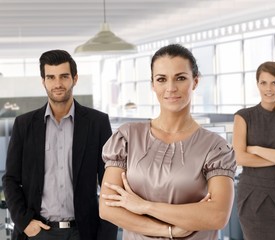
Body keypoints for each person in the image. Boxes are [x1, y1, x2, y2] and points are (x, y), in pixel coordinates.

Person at [99, 43, 236, 240]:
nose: (171, 88)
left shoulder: (215, 147)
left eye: (180, 78)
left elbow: (217, 216)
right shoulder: (127, 137)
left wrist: (144, 206)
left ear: (195, 82)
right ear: (153, 84)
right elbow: (108, 208)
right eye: (161, 79)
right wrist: (169, 231)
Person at [2, 50, 118, 240]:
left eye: (64, 76)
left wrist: (106, 235)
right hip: (37, 232)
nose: (57, 84)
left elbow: (111, 184)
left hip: (83, 233)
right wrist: (24, 223)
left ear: (75, 78)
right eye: (51, 77)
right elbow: (10, 179)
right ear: (43, 81)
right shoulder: (24, 124)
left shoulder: (98, 123)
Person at [232, 61, 275, 240]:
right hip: (252, 196)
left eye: (274, 83)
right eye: (263, 83)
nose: (268, 88)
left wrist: (255, 149)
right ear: (257, 84)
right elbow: (240, 157)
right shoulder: (243, 116)